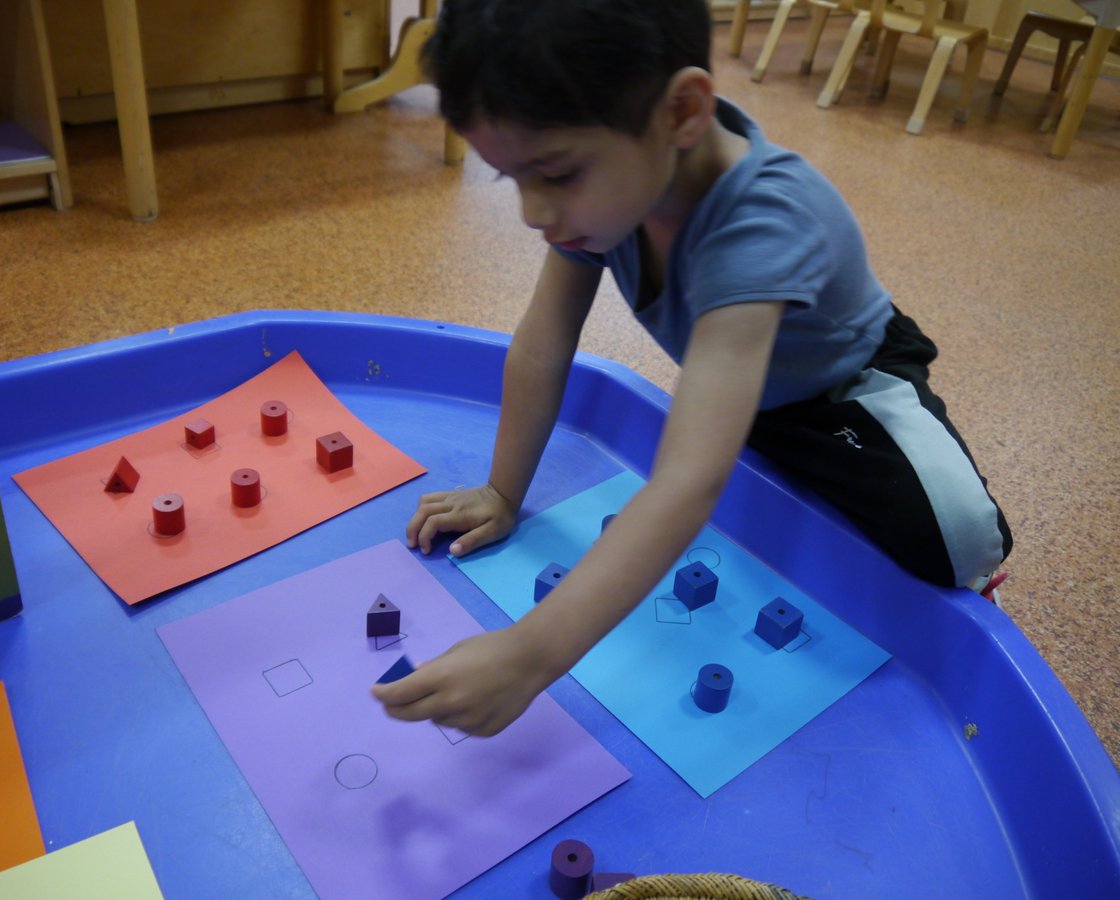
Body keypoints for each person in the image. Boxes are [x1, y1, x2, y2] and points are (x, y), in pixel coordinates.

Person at [371, 0, 1011, 736]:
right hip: (740, 388)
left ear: (682, 110)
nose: (532, 211)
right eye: (511, 179)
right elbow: (546, 341)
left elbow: (687, 481)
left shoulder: (763, 221)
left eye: (553, 173)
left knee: (958, 539)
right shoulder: (608, 190)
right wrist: (501, 490)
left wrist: (529, 655)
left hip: (844, 395)